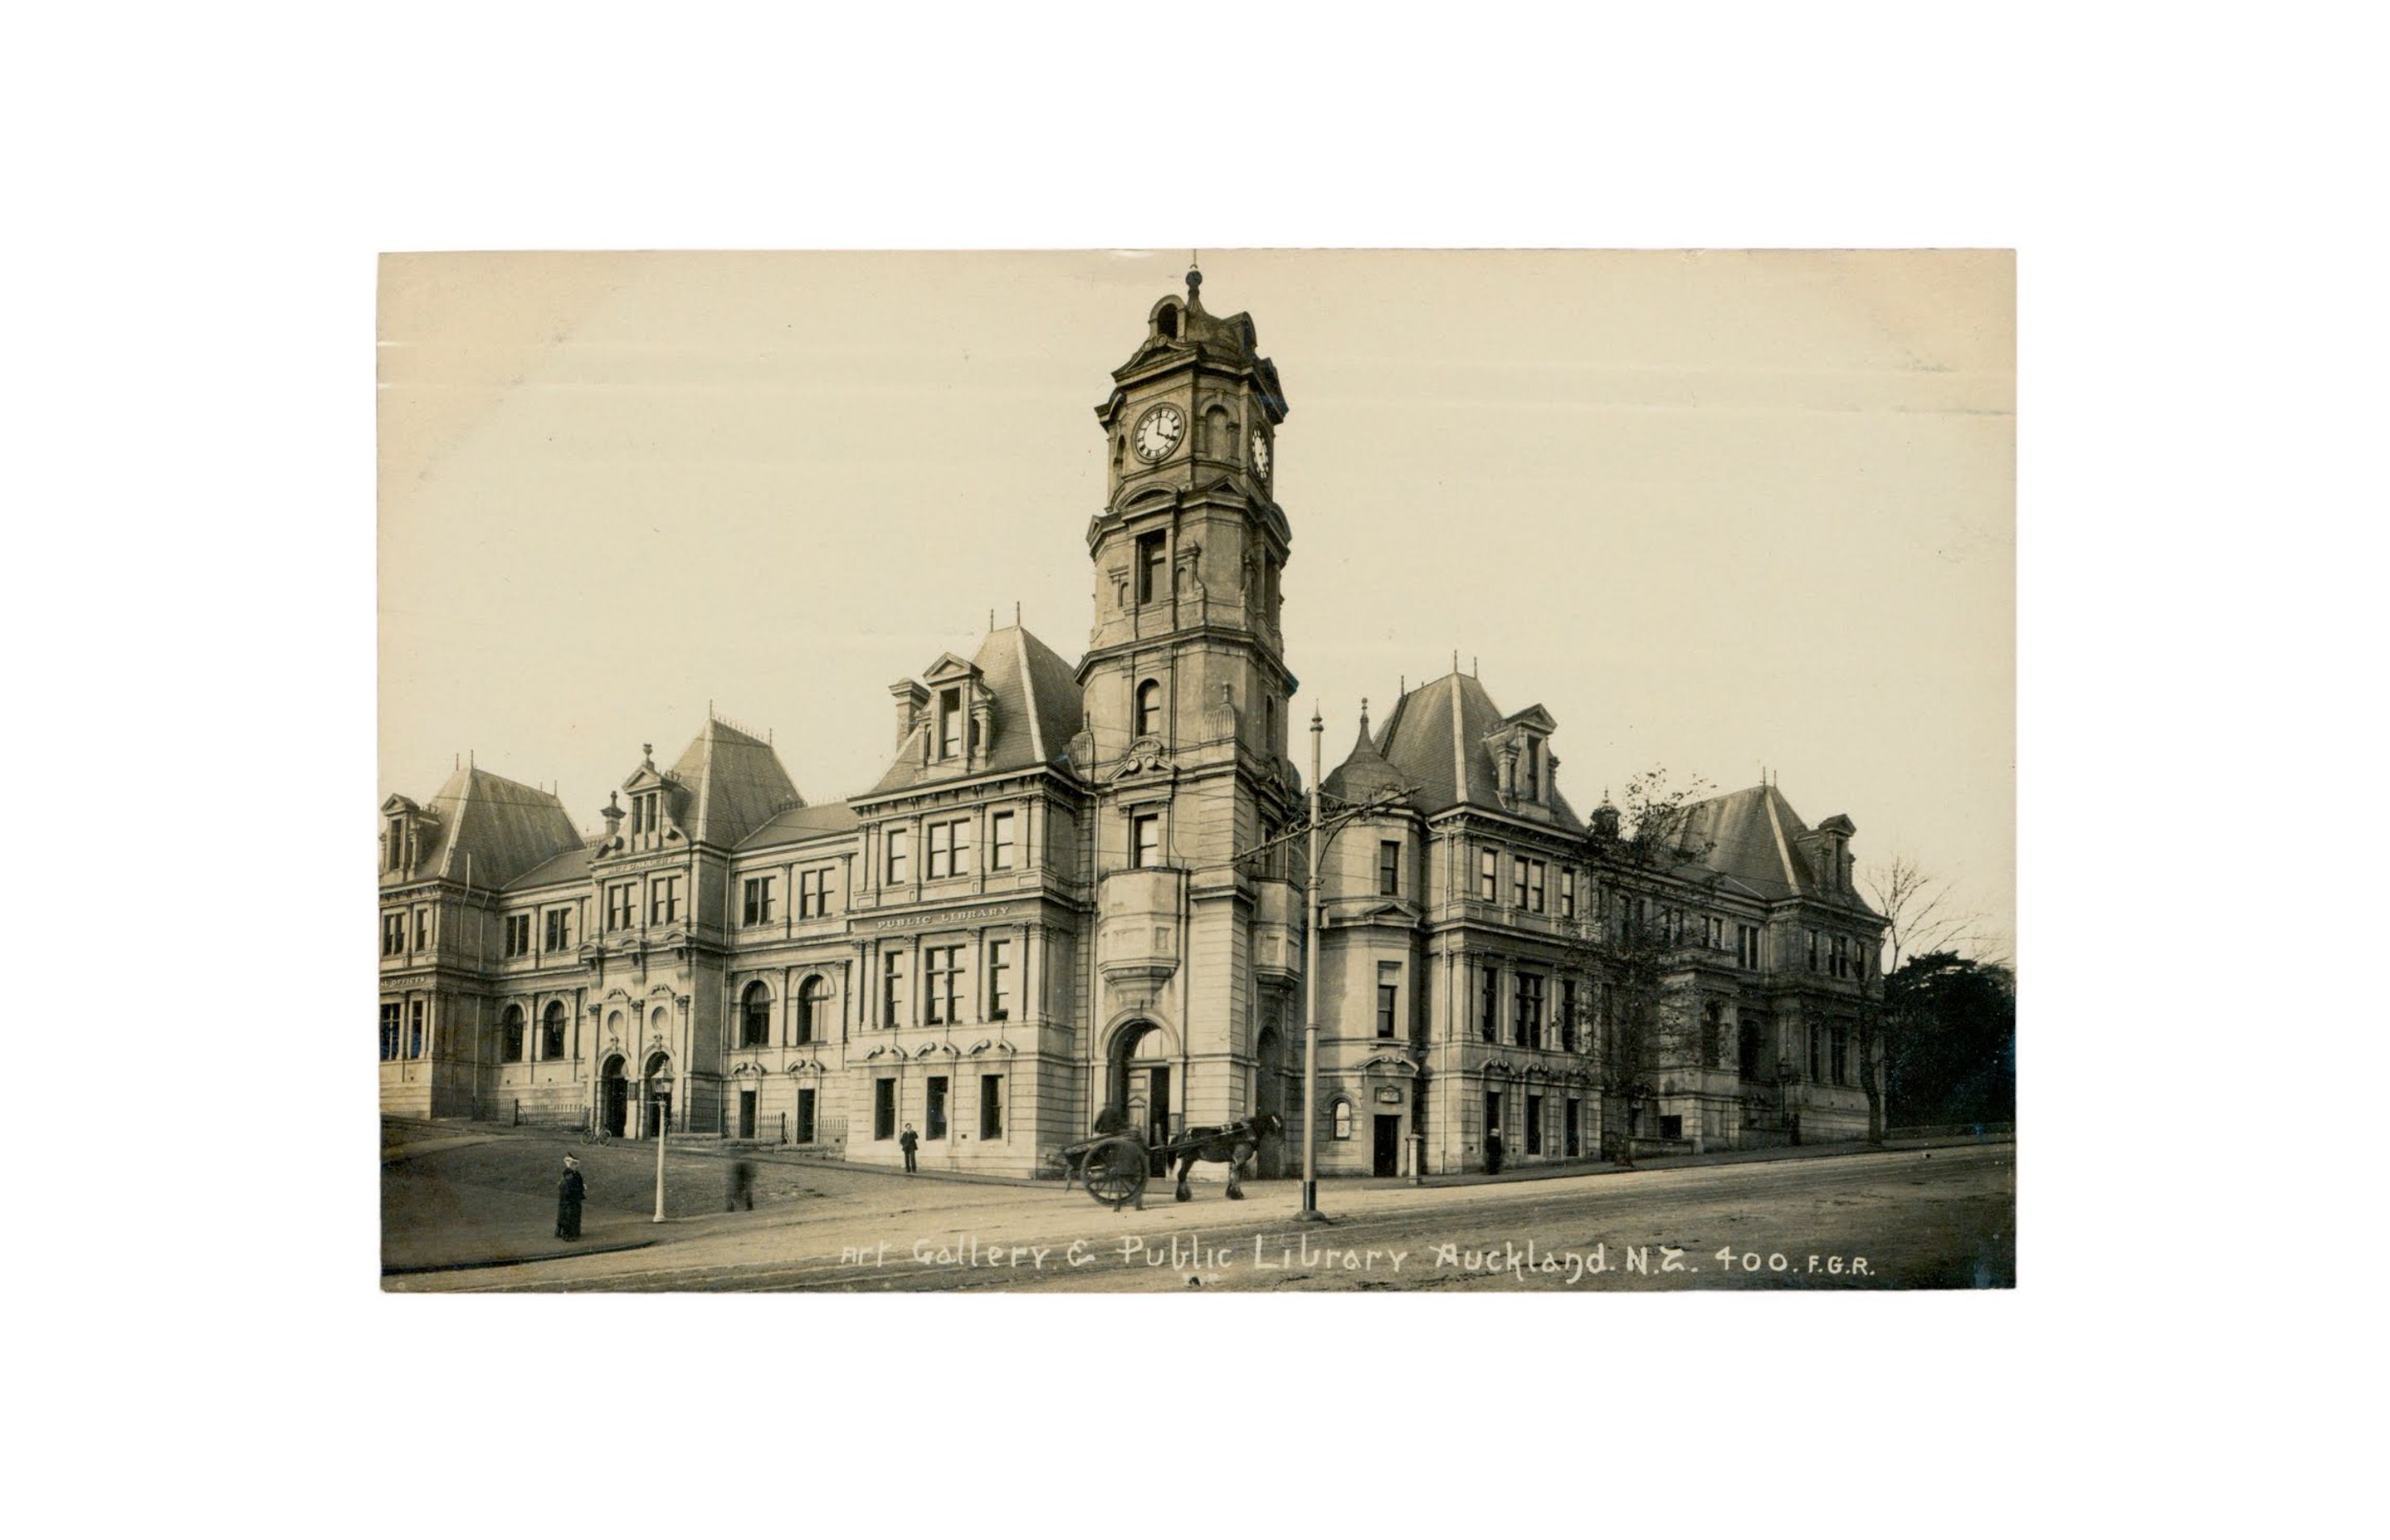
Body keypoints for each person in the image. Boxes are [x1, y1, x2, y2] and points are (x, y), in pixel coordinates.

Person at [555, 1155, 585, 1240]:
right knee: (569, 1216)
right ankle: (568, 1235)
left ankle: (565, 1232)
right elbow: (570, 1186)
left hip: (569, 1198)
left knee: (567, 1215)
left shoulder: (570, 1174)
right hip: (570, 1198)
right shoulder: (570, 1174)